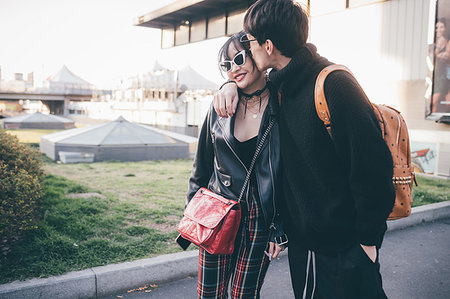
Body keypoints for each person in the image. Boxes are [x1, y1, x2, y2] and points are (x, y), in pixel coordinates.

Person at [214, 1, 395, 298]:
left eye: (249, 40)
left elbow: (373, 170)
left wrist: (367, 243)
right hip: (305, 247)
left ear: (268, 46)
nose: (247, 47)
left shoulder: (335, 84)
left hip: (345, 250)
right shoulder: (281, 87)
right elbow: (249, 89)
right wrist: (227, 86)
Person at [186, 31, 288, 298]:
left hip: (260, 218)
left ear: (256, 54)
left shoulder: (281, 104)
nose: (234, 68)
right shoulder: (220, 105)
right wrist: (193, 213)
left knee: (245, 295)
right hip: (218, 213)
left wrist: (280, 227)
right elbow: (201, 165)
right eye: (226, 65)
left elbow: (287, 175)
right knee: (209, 295)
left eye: (240, 58)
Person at [432, 18, 449, 113]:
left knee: (434, 102)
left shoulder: (446, 42)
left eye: (441, 27)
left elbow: (446, 56)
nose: (439, 29)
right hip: (432, 75)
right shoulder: (434, 40)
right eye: (437, 27)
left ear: (445, 28)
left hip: (441, 76)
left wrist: (438, 53)